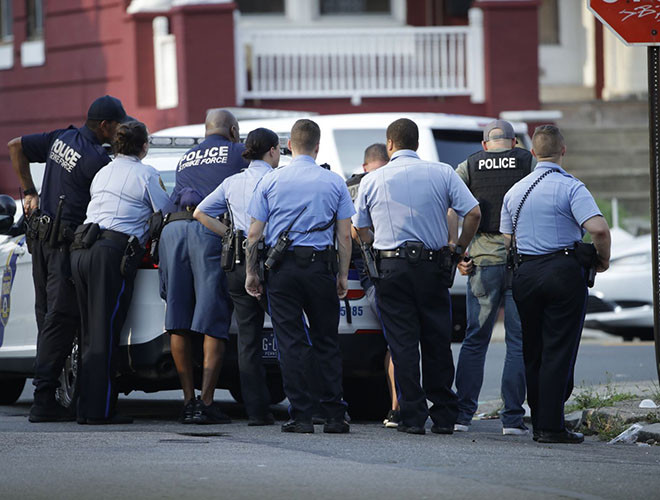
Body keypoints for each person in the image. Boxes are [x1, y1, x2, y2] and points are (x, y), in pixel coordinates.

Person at [353, 118, 481, 435]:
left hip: (391, 268)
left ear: (390, 144)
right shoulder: (443, 172)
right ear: (418, 143)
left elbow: (358, 228)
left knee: (403, 344)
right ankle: (444, 415)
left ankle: (412, 416)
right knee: (437, 340)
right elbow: (474, 213)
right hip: (433, 266)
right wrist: (458, 249)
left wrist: (374, 244)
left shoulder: (372, 179)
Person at [8, 95, 129, 422]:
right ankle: (43, 400)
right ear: (104, 125)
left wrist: (29, 191)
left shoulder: (62, 137)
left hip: (40, 241)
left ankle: (49, 395)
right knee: (60, 320)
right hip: (62, 246)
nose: (121, 131)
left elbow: (15, 146)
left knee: (48, 318)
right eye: (118, 125)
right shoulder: (96, 160)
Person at [500, 125, 611, 444]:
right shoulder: (571, 187)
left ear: (533, 153)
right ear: (563, 150)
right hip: (562, 272)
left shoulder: (515, 191)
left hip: (526, 274)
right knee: (558, 349)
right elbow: (598, 230)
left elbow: (507, 238)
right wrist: (602, 260)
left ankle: (539, 421)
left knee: (533, 349)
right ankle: (551, 426)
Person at [245, 119, 354, 434]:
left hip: (283, 269)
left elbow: (254, 235)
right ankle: (334, 416)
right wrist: (342, 275)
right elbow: (344, 236)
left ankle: (302, 416)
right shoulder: (334, 182)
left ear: (289, 145)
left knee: (291, 343)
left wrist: (252, 273)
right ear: (317, 146)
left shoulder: (270, 181)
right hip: (321, 268)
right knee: (326, 341)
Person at [70, 121, 171, 424]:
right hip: (110, 253)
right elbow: (166, 212)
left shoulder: (103, 172)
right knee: (104, 333)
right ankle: (99, 412)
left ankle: (84, 408)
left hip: (81, 249)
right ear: (144, 146)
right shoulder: (146, 174)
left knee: (88, 333)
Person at [159, 109, 248, 424]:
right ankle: (206, 403)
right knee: (213, 317)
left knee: (178, 319)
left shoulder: (187, 156)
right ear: (233, 131)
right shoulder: (238, 152)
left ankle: (188, 402)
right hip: (206, 230)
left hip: (172, 231)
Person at [193, 127, 280, 426]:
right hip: (271, 260)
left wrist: (230, 234)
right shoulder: (275, 179)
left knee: (248, 340)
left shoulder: (232, 182)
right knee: (289, 332)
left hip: (238, 263)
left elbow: (200, 213)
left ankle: (257, 412)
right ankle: (305, 405)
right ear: (272, 150)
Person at [451, 120, 532, 436]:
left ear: (485, 145)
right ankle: (512, 419)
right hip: (520, 261)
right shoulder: (527, 162)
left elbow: (451, 206)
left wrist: (458, 249)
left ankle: (462, 415)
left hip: (482, 262)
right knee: (518, 342)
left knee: (475, 340)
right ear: (514, 142)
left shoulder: (469, 165)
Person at [348, 143, 400, 428]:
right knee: (400, 340)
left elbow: (349, 233)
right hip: (393, 267)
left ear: (364, 165)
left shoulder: (349, 187)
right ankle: (397, 407)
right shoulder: (393, 182)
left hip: (364, 272)